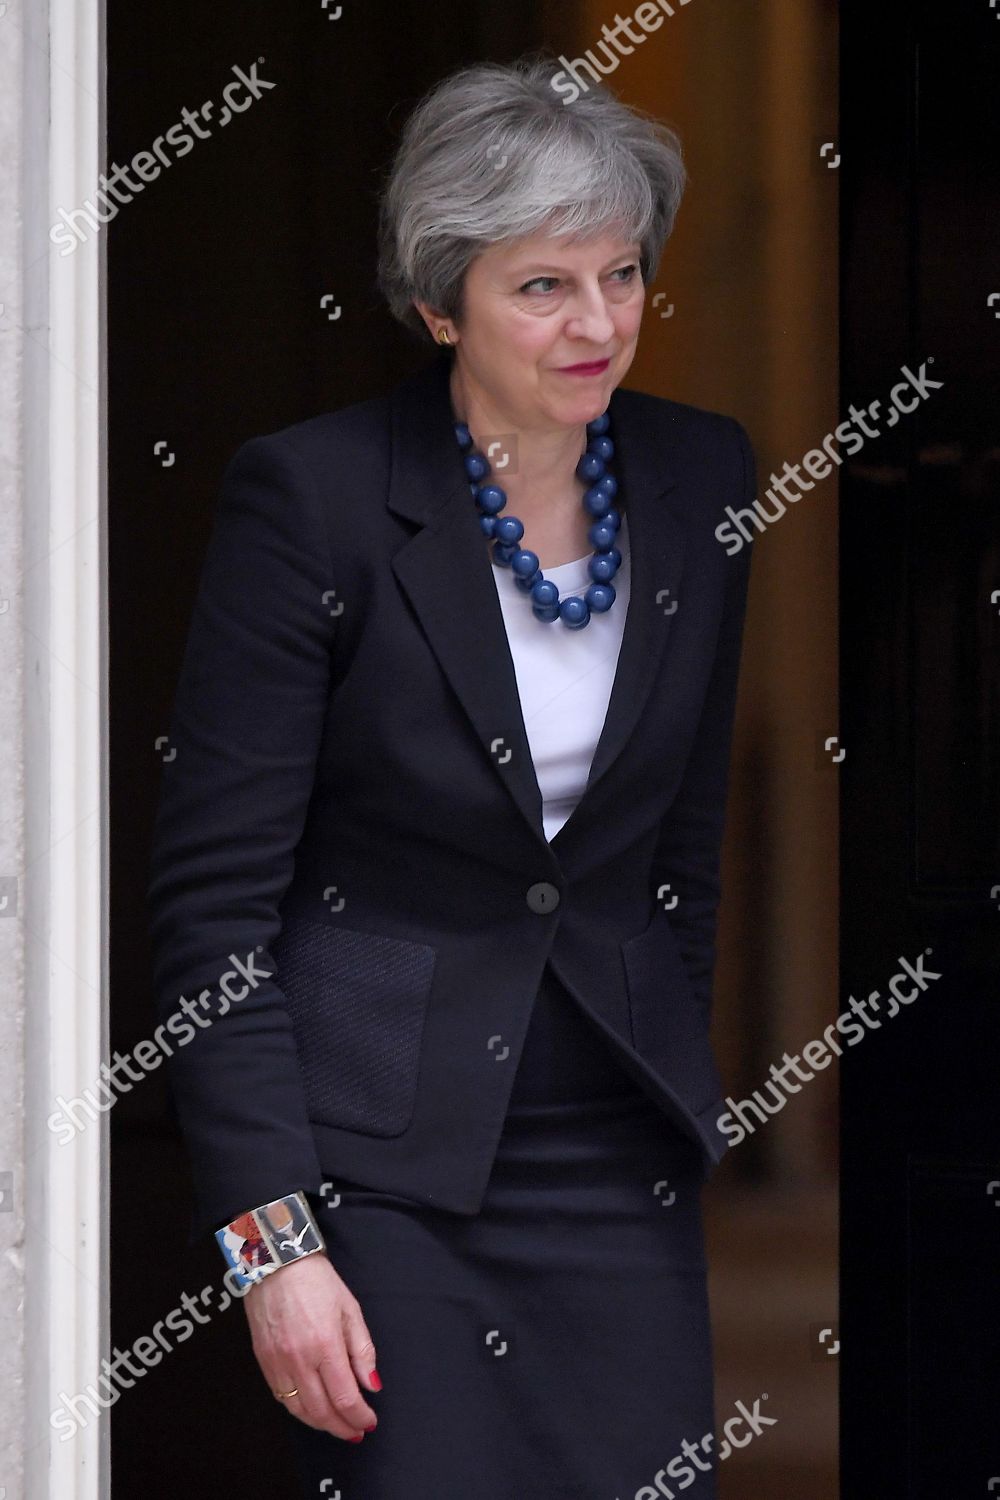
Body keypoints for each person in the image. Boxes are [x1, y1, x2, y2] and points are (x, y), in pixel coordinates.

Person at [147, 51, 756, 1500]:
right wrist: (271, 1247)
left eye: (620, 275)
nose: (598, 323)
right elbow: (211, 914)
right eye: (542, 286)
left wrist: (676, 1074)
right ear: (440, 303)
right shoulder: (315, 500)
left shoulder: (703, 479)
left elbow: (685, 844)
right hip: (377, 1184)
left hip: (612, 1168)